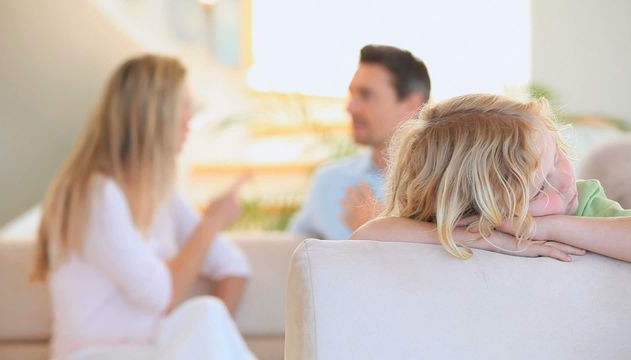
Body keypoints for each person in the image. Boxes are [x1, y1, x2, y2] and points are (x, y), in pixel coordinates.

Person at [30, 55, 255, 360]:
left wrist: (217, 334)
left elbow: (232, 265)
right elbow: (162, 295)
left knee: (208, 314)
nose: (190, 119)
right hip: (95, 354)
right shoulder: (96, 194)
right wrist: (212, 221)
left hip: (150, 351)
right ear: (149, 113)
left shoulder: (161, 194)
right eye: (183, 106)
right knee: (205, 316)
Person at [352, 94, 631, 263]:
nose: (565, 180)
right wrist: (478, 238)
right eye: (539, 189)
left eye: (557, 155)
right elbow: (365, 236)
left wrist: (550, 228)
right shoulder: (474, 225)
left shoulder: (584, 206)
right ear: (476, 209)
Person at [288, 44, 431, 239]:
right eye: (351, 94)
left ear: (411, 105)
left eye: (365, 95)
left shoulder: (443, 185)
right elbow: (293, 253)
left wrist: (378, 231)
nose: (350, 107)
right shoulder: (329, 180)